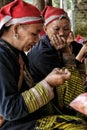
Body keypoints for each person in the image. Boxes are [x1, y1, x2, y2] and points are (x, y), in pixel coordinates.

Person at [0, 0, 74, 129]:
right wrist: (48, 83)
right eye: (34, 34)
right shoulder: (2, 57)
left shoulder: (17, 53)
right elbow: (10, 110)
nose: (37, 40)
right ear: (16, 28)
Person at [27, 6, 87, 116]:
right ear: (45, 29)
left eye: (66, 29)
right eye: (56, 29)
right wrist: (66, 52)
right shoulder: (43, 53)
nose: (61, 33)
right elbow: (70, 85)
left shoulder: (62, 45)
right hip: (46, 105)